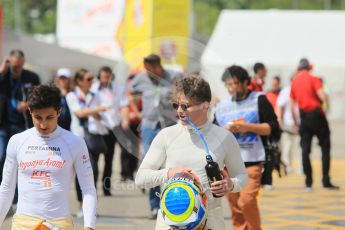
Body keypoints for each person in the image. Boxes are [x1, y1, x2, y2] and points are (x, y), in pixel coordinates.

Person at [135, 74, 248, 229]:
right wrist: (169, 173)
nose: (179, 111)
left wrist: (230, 185)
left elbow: (242, 177)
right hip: (170, 222)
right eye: (176, 105)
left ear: (205, 105)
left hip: (211, 221)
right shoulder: (166, 135)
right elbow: (141, 178)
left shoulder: (224, 137)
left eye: (185, 106)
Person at [0, 84, 97, 229]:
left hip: (59, 223)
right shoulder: (17, 141)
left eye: (49, 117)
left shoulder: (75, 142)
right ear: (30, 111)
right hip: (23, 223)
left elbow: (88, 188)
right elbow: (7, 188)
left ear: (59, 112)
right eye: (37, 117)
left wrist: (89, 226)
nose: (43, 124)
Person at [215, 65, 280, 230]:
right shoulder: (222, 106)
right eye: (228, 85)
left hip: (252, 161)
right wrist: (225, 130)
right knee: (235, 205)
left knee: (246, 201)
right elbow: (213, 134)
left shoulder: (259, 99)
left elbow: (272, 127)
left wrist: (249, 127)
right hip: (228, 165)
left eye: (235, 84)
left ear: (245, 82)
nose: (231, 88)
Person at [129, 54, 183, 219]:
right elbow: (130, 94)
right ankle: (154, 206)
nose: (147, 72)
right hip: (149, 126)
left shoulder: (173, 77)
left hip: (168, 125)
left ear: (158, 67)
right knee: (152, 165)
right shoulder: (141, 79)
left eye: (150, 69)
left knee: (170, 164)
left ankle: (172, 203)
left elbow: (182, 94)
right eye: (145, 69)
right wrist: (136, 111)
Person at [290, 58, 339, 192]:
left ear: (299, 68)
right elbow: (322, 96)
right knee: (325, 148)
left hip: (304, 117)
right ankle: (325, 181)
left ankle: (308, 183)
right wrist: (326, 107)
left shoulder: (294, 81)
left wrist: (296, 122)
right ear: (309, 67)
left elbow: (291, 106)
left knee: (305, 151)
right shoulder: (314, 78)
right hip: (317, 115)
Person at [66, 68, 109, 216]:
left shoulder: (94, 95)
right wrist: (96, 109)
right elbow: (79, 113)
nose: (91, 81)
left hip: (92, 137)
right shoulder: (72, 95)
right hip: (78, 138)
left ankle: (90, 205)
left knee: (94, 172)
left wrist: (95, 111)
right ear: (79, 81)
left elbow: (101, 116)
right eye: (88, 79)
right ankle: (81, 204)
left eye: (92, 79)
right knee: (82, 172)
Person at [0, 50, 40, 205]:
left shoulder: (31, 77)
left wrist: (28, 105)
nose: (16, 70)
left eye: (19, 66)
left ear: (23, 63)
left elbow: (39, 96)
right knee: (2, 158)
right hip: (4, 125)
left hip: (23, 125)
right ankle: (3, 193)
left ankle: (17, 197)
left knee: (23, 161)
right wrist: (3, 70)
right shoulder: (3, 76)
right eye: (13, 66)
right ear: (9, 62)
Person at [90, 66, 129, 195]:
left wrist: (125, 120)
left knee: (109, 159)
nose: (106, 79)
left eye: (108, 76)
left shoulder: (118, 88)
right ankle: (92, 187)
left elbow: (123, 105)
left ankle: (106, 187)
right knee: (94, 160)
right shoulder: (93, 88)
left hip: (112, 128)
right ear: (99, 76)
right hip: (97, 128)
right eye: (103, 76)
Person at [276, 77, 301, 175]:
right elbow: (279, 105)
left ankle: (301, 167)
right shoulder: (286, 91)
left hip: (300, 123)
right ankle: (287, 167)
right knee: (287, 146)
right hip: (288, 123)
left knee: (300, 147)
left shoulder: (301, 88)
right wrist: (279, 119)